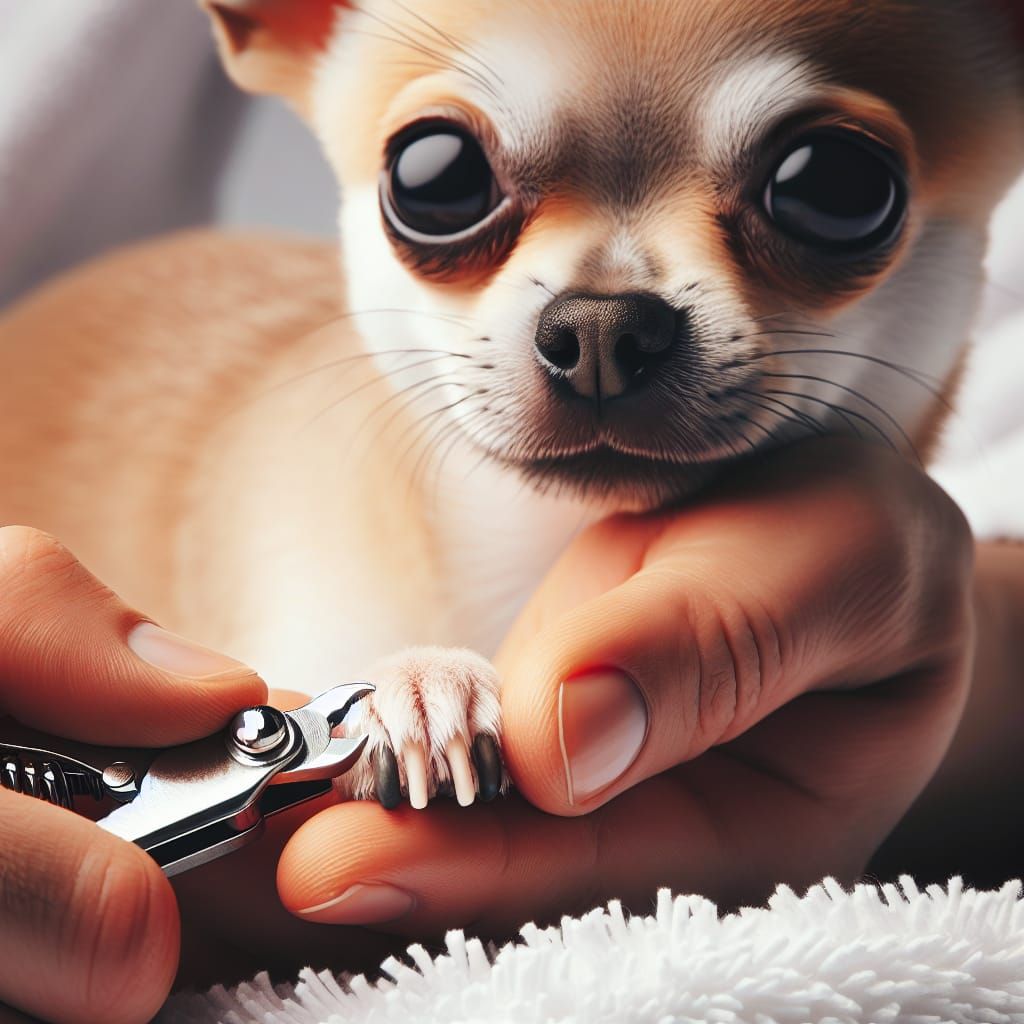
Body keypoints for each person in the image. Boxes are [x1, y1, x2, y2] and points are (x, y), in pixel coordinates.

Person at [1, 3, 1022, 1022]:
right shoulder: (295, 526)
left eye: (819, 193)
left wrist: (961, 666)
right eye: (448, 186)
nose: (598, 322)